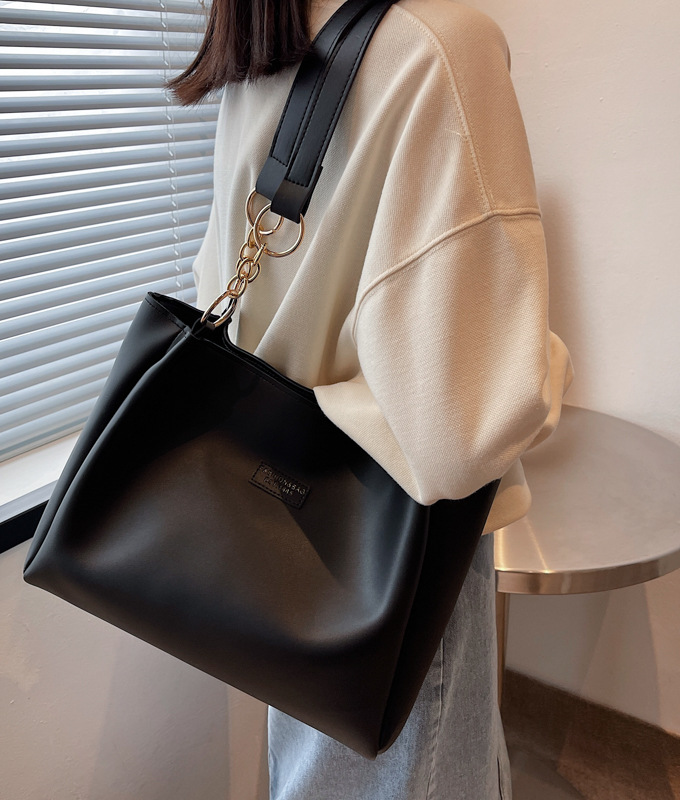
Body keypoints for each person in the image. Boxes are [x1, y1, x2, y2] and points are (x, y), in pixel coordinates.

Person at [169, 0, 574, 797]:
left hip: (276, 535)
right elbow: (463, 426)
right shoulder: (443, 48)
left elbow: (226, 289)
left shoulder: (263, 40)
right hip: (393, 557)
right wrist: (552, 365)